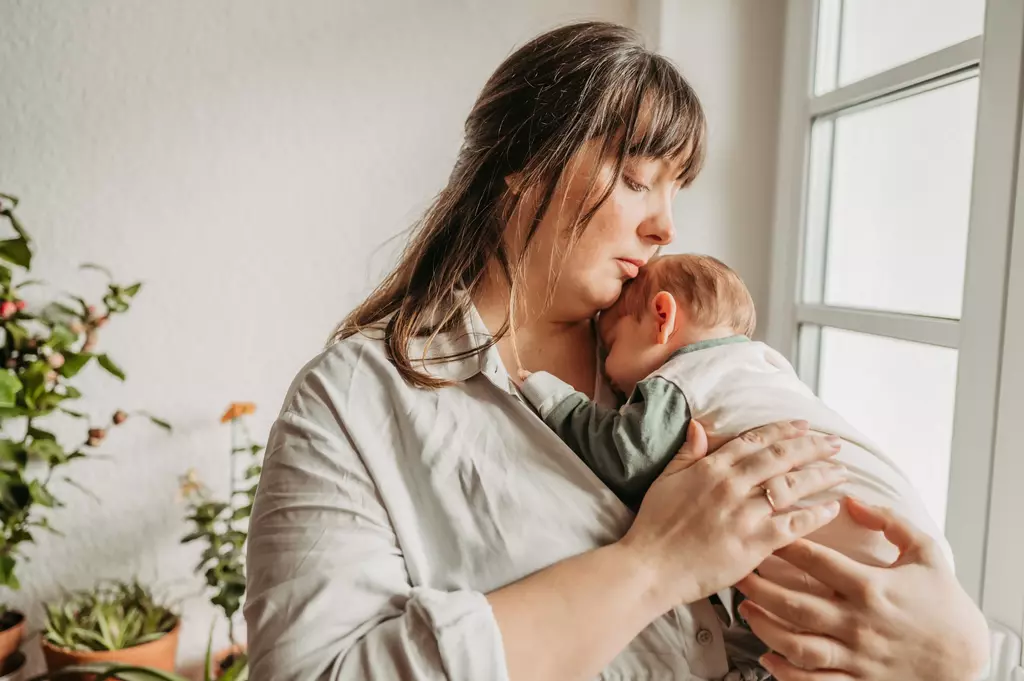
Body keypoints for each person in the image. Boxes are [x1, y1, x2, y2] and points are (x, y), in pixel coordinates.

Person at [244, 21, 990, 681]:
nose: (665, 225)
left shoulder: (699, 365)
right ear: (525, 161)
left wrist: (961, 656)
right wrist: (653, 565)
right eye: (636, 179)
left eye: (675, 191)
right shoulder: (351, 404)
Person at [517, 252, 953, 679]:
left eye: (610, 345)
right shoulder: (766, 368)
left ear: (661, 317)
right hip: (910, 547)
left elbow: (628, 456)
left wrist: (551, 396)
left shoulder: (687, 375)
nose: (608, 374)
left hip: (858, 552)